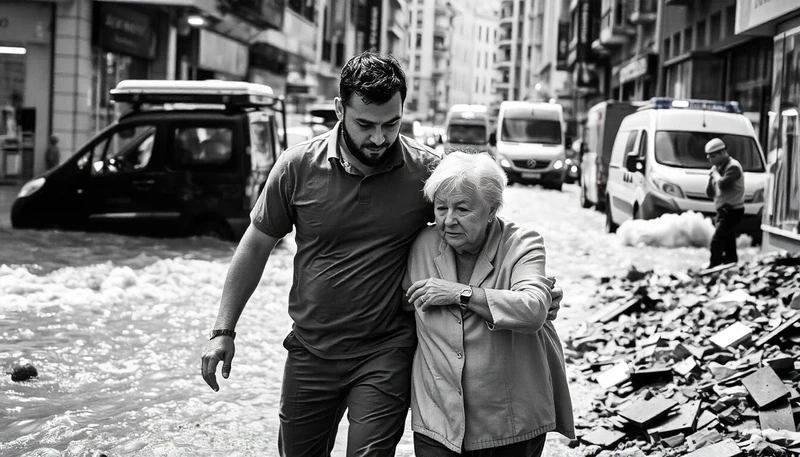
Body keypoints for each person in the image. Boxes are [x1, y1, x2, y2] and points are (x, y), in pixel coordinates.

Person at [200, 51, 441, 456]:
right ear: (339, 109)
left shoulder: (428, 172)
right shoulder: (297, 167)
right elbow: (257, 245)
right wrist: (223, 331)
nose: (379, 138)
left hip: (387, 350)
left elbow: (471, 228)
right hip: (310, 352)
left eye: (392, 124)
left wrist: (521, 279)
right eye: (365, 124)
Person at [403, 151, 575, 457]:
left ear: (491, 210)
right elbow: (393, 304)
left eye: (463, 209)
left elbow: (533, 308)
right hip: (438, 419)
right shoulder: (422, 245)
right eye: (441, 208)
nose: (449, 220)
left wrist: (460, 293)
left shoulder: (522, 244)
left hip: (509, 424)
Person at [705, 137, 745, 267]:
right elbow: (710, 192)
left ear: (722, 153)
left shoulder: (733, 167)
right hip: (722, 211)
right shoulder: (718, 168)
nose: (709, 159)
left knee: (717, 240)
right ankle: (732, 263)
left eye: (712, 156)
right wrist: (711, 178)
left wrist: (715, 174)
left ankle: (714, 266)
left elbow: (723, 184)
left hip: (733, 211)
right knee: (728, 241)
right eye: (708, 156)